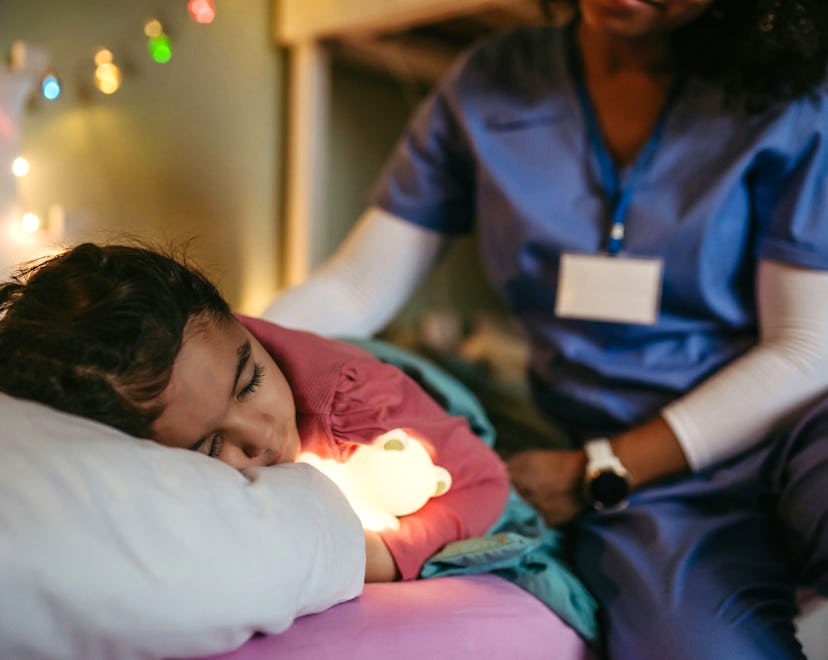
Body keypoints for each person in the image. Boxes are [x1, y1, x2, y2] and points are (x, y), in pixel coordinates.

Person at [262, 0, 828, 657]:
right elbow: (355, 287)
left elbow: (807, 348)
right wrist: (230, 342)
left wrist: (598, 469)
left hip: (786, 432)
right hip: (641, 487)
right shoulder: (492, 83)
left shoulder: (788, 101)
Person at [0, 242, 510, 584]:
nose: (262, 434)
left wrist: (387, 554)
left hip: (419, 408)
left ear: (237, 324)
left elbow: (485, 480)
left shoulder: (354, 404)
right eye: (208, 446)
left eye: (251, 383)